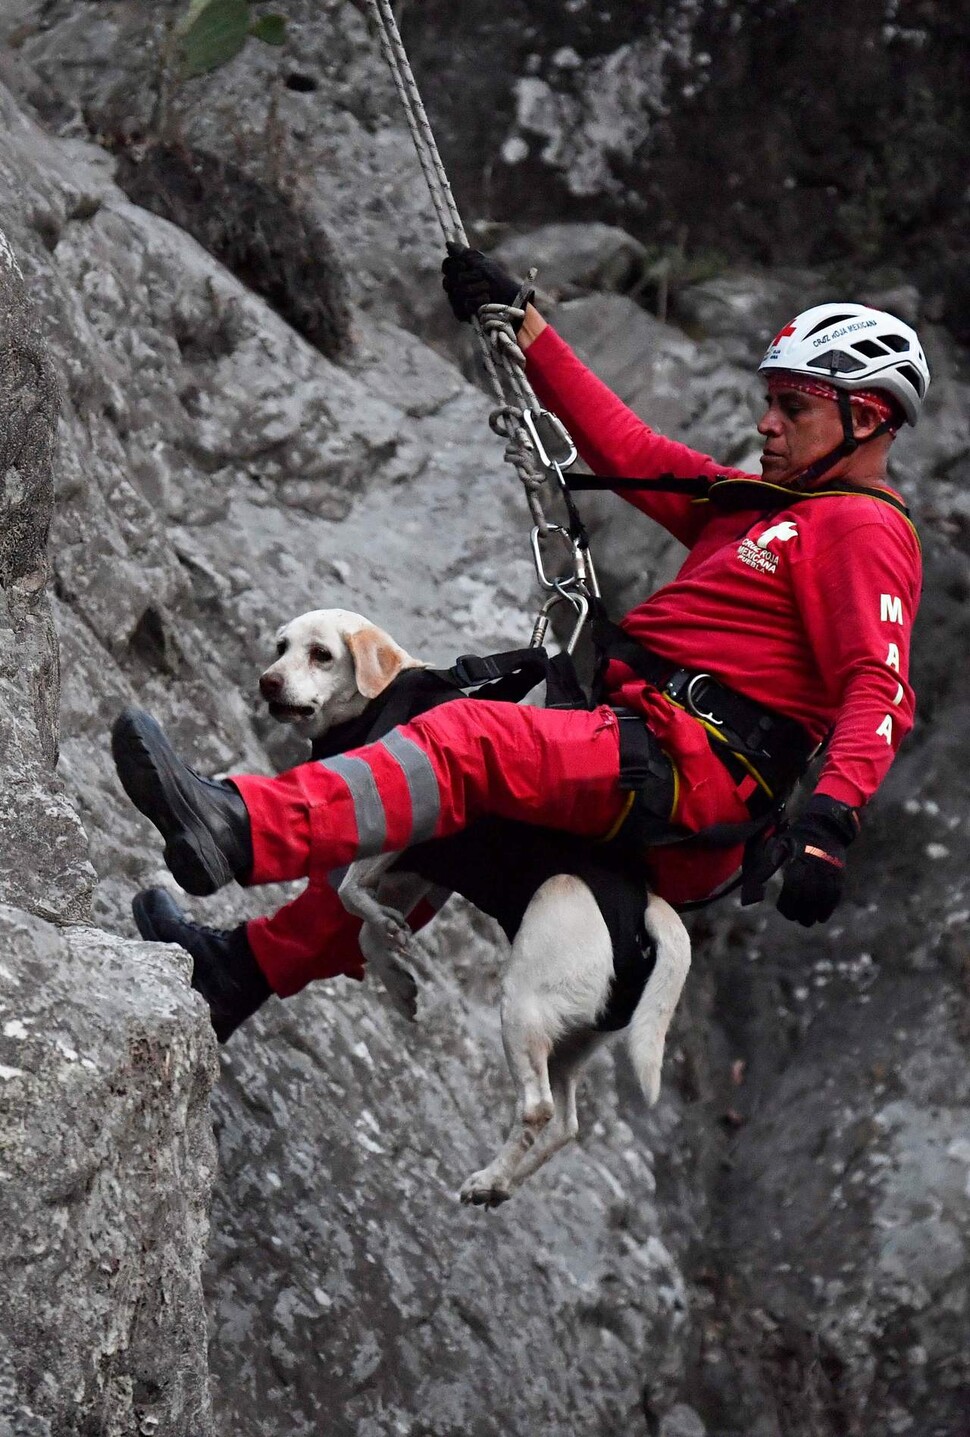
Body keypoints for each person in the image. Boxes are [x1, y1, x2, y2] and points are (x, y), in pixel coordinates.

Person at [115, 248, 928, 1041]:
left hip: (694, 771)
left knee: (465, 742)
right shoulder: (758, 507)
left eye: (797, 407)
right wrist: (524, 323)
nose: (769, 421)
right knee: (432, 798)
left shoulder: (863, 528)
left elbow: (878, 685)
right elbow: (634, 452)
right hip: (649, 745)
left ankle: (241, 824)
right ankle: (240, 972)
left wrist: (830, 824)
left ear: (867, 418)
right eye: (772, 401)